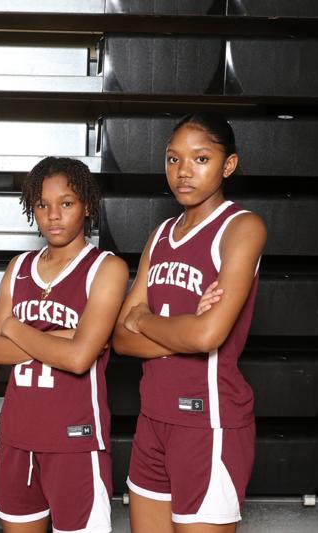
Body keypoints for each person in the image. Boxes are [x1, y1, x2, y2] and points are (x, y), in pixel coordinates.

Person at [113, 111, 266, 532]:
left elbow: (208, 335)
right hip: (152, 418)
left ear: (228, 165)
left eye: (200, 159)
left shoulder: (241, 227)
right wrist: (186, 327)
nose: (183, 171)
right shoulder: (161, 234)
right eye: (173, 158)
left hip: (208, 422)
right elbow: (121, 339)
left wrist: (143, 319)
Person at [0, 157, 128, 533]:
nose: (53, 215)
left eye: (66, 203)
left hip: (75, 440)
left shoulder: (106, 268)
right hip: (16, 438)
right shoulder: (19, 267)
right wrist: (60, 337)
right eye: (42, 205)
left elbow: (78, 359)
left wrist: (12, 327)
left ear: (87, 206)